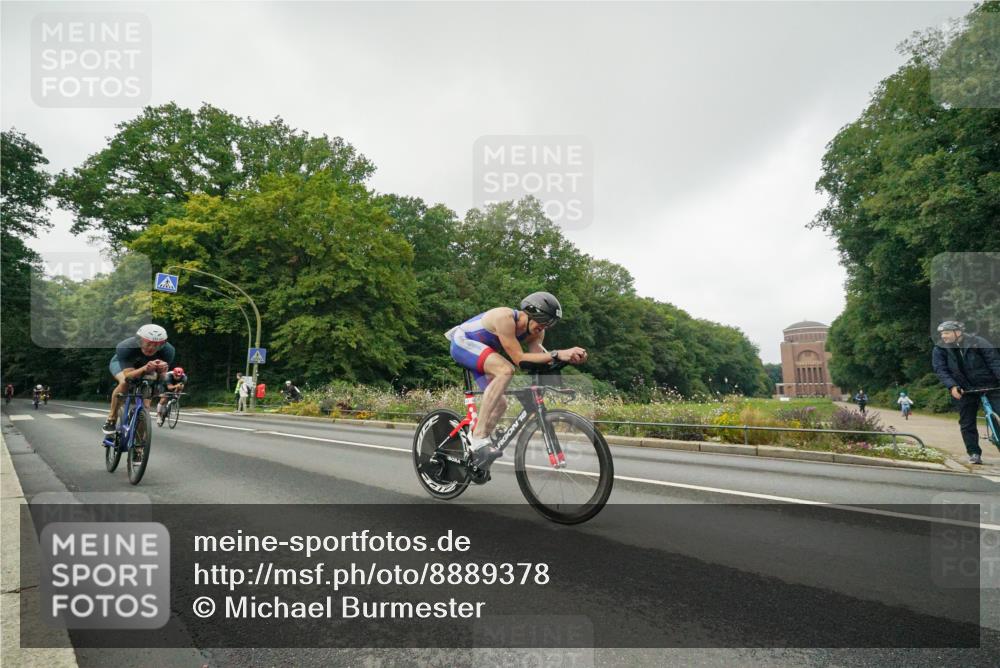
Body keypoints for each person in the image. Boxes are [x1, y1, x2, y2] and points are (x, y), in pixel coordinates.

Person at [444, 291, 588, 468]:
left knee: (500, 404)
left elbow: (534, 363)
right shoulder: (504, 318)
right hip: (463, 342)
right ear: (530, 314)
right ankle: (478, 437)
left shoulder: (537, 333)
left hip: (483, 352)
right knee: (506, 370)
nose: (542, 328)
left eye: (547, 325)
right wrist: (558, 353)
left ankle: (476, 453)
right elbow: (519, 359)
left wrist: (564, 360)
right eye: (542, 322)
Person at [932, 320, 1000, 465]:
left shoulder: (978, 342)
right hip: (964, 389)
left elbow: (994, 361)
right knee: (967, 422)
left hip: (989, 384)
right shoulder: (940, 348)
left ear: (958, 332)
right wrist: (952, 386)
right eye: (942, 333)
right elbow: (941, 370)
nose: (943, 336)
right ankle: (974, 452)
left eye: (947, 332)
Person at [103, 324, 176, 439]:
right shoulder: (125, 347)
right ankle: (111, 418)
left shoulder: (168, 351)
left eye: (157, 345)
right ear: (139, 341)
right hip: (123, 365)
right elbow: (128, 375)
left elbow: (161, 378)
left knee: (145, 407)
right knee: (125, 382)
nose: (151, 348)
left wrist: (162, 371)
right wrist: (144, 368)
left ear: (163, 344)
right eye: (148, 343)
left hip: (147, 366)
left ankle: (139, 445)